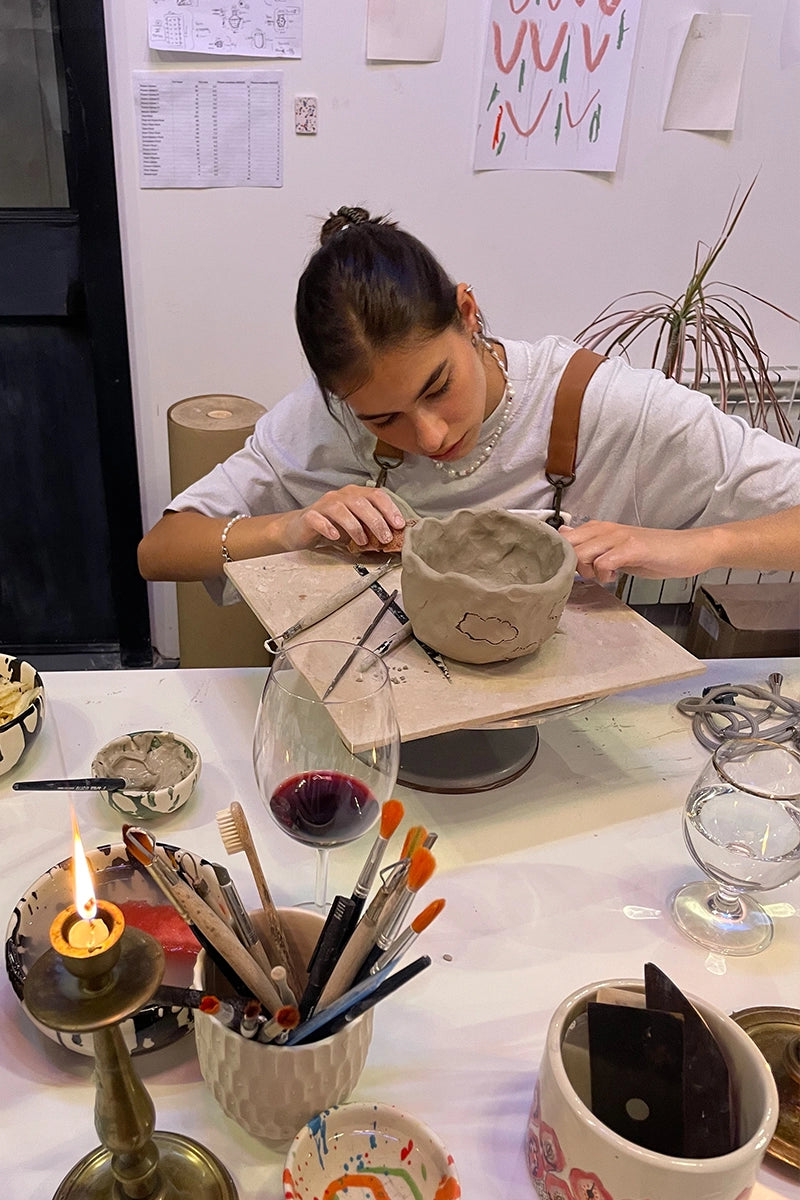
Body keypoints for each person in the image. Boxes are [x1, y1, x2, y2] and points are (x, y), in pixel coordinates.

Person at [138, 206, 800, 600]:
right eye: (381, 418)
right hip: (375, 723)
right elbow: (161, 551)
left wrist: (701, 545)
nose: (428, 436)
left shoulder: (603, 410)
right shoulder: (318, 425)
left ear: (468, 312)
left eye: (437, 388)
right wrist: (288, 528)